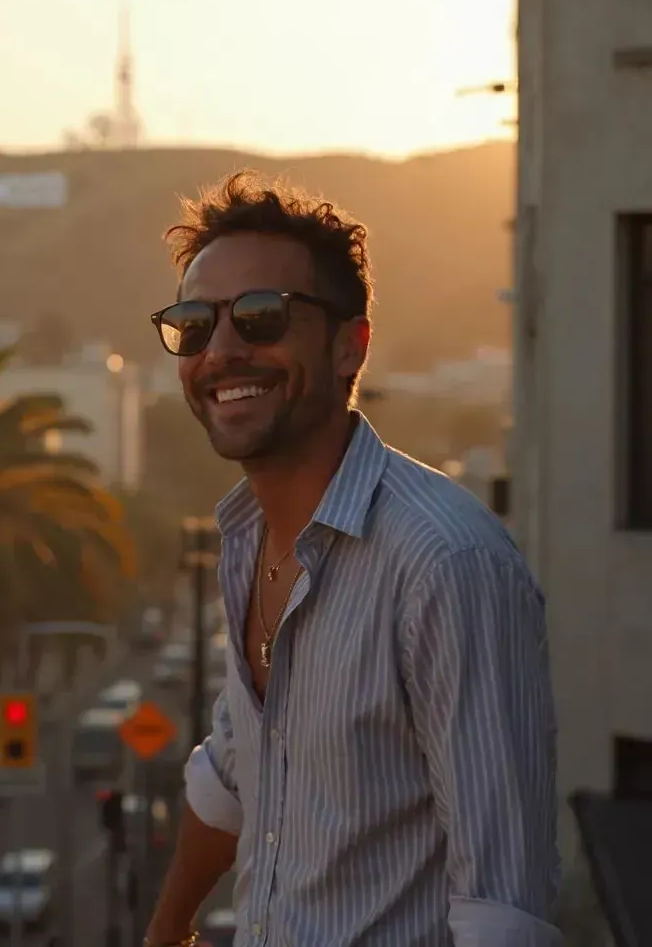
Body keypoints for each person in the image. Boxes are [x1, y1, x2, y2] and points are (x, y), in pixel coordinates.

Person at [143, 172, 561, 947]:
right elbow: (236, 768)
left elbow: (504, 913)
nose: (223, 351)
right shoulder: (247, 540)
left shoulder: (446, 563)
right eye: (195, 326)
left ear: (349, 346)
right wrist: (166, 929)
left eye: (260, 317)